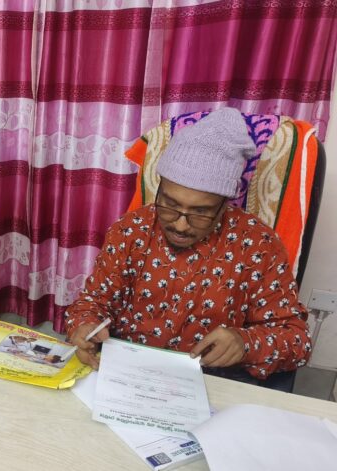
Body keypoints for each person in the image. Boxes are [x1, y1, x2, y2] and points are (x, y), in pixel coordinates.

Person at [65, 108, 312, 389]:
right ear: (160, 189)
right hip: (128, 375)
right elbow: (91, 303)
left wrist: (245, 343)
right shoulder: (131, 229)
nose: (180, 225)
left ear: (224, 205)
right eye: (169, 205)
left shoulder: (258, 244)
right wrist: (83, 325)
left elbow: (298, 341)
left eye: (200, 212)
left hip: (209, 382)